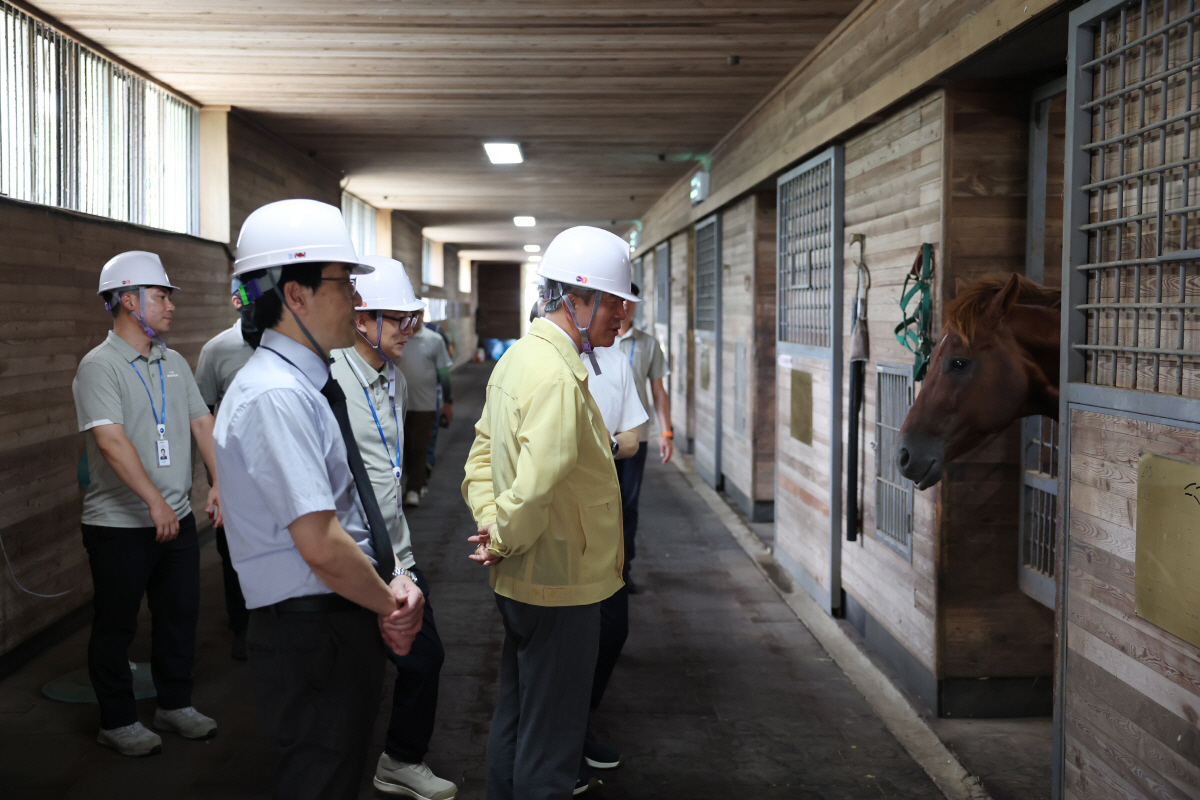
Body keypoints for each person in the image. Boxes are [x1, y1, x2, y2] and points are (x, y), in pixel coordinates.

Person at [213, 199, 425, 800]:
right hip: (312, 631)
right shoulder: (276, 397)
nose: (357, 300)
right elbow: (322, 544)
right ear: (294, 294)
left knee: (335, 770)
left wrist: (391, 577)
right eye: (343, 282)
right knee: (321, 777)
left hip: (332, 620)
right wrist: (391, 603)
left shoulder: (306, 385)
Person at [463, 225, 639, 800]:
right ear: (575, 300)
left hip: (521, 577)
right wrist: (505, 533)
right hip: (559, 582)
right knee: (553, 742)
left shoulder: (518, 358)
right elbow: (536, 487)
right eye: (613, 301)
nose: (622, 314)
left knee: (518, 716)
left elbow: (481, 457)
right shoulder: (559, 376)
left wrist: (492, 526)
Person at [72, 251, 221, 757]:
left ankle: (174, 704)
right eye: (161, 296)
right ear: (128, 301)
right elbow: (111, 442)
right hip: (119, 524)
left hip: (174, 517)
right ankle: (116, 721)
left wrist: (219, 483)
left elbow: (203, 424)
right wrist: (155, 502)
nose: (170, 307)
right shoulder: (100, 367)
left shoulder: (173, 362)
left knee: (179, 616)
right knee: (116, 624)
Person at [329, 255, 457, 800]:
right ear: (362, 319)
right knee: (351, 678)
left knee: (423, 659)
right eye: (399, 319)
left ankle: (401, 759)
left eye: (415, 318)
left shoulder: (394, 379)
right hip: (351, 556)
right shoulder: (330, 381)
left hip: (397, 554)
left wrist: (400, 557)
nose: (412, 330)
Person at [194, 280, 260, 661]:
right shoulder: (217, 351)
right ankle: (242, 625)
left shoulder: (287, 343)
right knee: (234, 552)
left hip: (280, 470)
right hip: (233, 472)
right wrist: (215, 476)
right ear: (237, 302)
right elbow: (202, 413)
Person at [613, 283, 673, 592]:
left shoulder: (648, 344)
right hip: (604, 435)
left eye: (630, 301)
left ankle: (624, 570)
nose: (625, 305)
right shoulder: (596, 340)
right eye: (620, 299)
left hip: (638, 434)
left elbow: (658, 392)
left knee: (629, 503)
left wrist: (666, 431)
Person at [397, 312, 453, 507]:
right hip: (398, 404)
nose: (413, 319)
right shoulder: (397, 337)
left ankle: (413, 489)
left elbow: (444, 373)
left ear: (422, 315)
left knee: (420, 447)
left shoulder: (434, 340)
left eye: (417, 314)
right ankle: (413, 482)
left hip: (425, 404)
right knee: (404, 448)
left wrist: (448, 401)